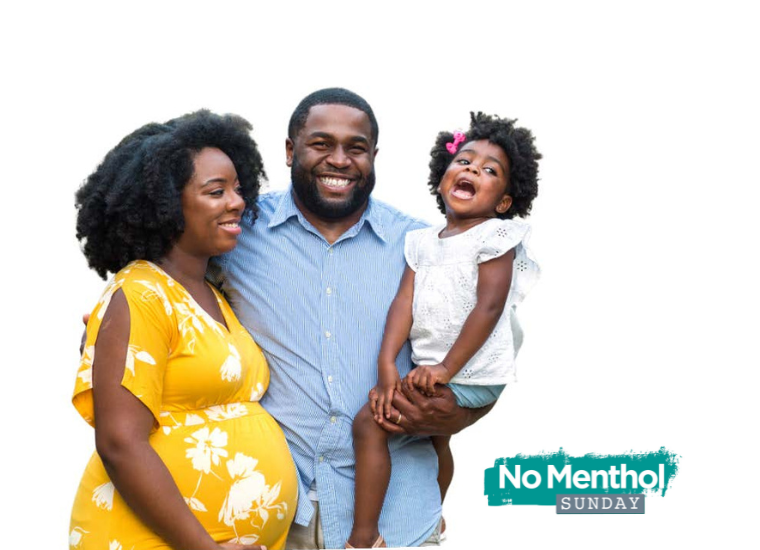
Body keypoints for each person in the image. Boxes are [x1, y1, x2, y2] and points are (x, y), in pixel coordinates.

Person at [209, 88, 493, 548]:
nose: (339, 160)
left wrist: (455, 415)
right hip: (272, 512)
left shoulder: (423, 247)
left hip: (396, 517)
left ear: (374, 156)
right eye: (321, 144)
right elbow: (167, 304)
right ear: (288, 151)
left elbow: (487, 356)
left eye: (355, 148)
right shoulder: (237, 234)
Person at [69, 110, 297, 550]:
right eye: (216, 191)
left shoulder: (211, 291)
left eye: (237, 188)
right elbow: (120, 442)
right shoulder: (140, 294)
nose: (237, 202)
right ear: (166, 205)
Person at [347, 112, 542, 548]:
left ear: (505, 201)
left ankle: (362, 539)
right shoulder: (421, 241)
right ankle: (433, 516)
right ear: (442, 177)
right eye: (465, 161)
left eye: (490, 170)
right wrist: (385, 364)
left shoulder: (496, 237)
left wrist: (445, 369)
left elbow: (489, 308)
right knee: (436, 441)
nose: (472, 169)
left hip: (475, 371)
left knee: (369, 424)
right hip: (437, 366)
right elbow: (404, 304)